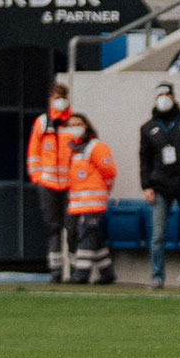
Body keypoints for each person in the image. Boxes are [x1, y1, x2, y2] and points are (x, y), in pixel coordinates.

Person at [137, 82, 180, 289]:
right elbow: (144, 159)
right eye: (161, 95)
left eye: (168, 94)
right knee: (158, 235)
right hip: (160, 186)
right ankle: (157, 276)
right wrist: (146, 185)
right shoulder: (149, 128)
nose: (165, 98)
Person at [27, 82, 74, 283]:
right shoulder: (42, 122)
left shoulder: (74, 123)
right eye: (55, 97)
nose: (59, 100)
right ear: (50, 100)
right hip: (47, 184)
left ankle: (75, 271)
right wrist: (37, 178)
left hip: (70, 185)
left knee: (72, 229)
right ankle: (55, 271)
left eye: (62, 96)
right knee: (53, 227)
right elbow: (33, 153)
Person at [64, 113, 117, 285]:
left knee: (86, 238)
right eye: (71, 125)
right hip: (77, 205)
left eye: (78, 124)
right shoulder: (72, 150)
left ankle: (81, 274)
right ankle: (107, 273)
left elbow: (109, 173)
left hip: (93, 203)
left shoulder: (95, 147)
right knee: (96, 239)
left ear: (86, 125)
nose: (75, 128)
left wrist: (102, 193)